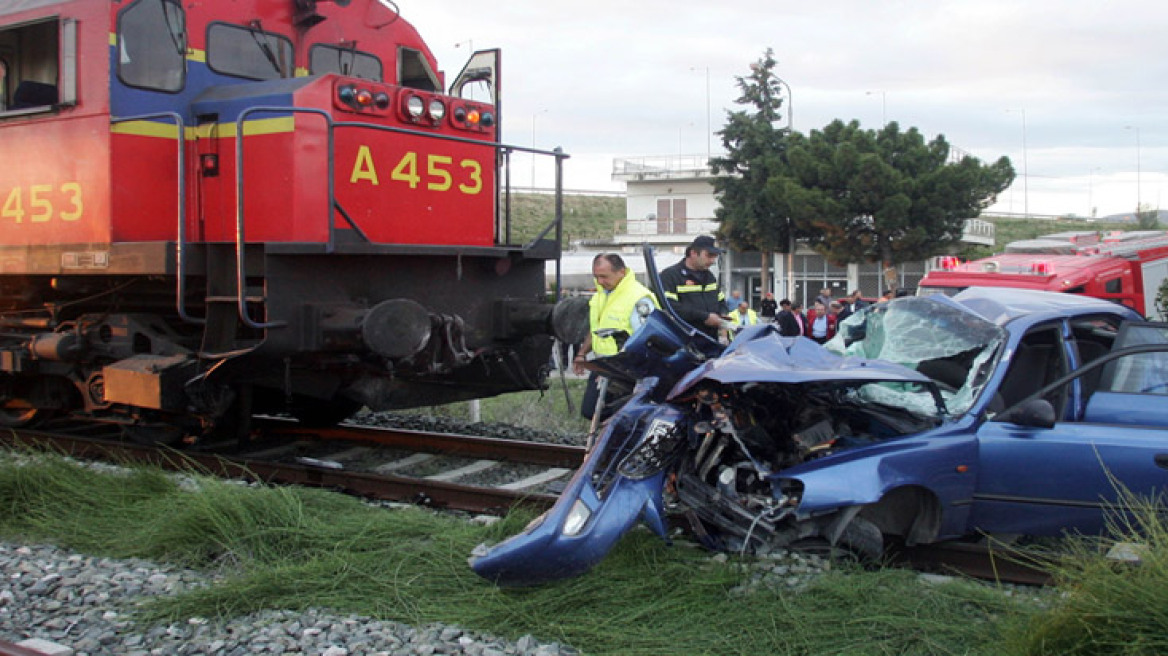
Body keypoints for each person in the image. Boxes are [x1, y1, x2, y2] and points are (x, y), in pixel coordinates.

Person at [573, 253, 658, 420]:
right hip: (603, 364)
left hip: (626, 368)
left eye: (604, 276)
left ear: (621, 272)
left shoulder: (639, 297)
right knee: (590, 411)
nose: (600, 282)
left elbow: (647, 337)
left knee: (621, 415)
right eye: (596, 277)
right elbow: (596, 329)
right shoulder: (601, 295)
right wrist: (582, 354)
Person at [659, 235, 728, 340]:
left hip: (711, 340)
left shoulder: (709, 277)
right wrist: (704, 317)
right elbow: (670, 307)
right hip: (684, 340)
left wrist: (723, 315)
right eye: (709, 255)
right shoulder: (670, 276)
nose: (713, 260)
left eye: (715, 256)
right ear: (693, 253)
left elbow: (721, 300)